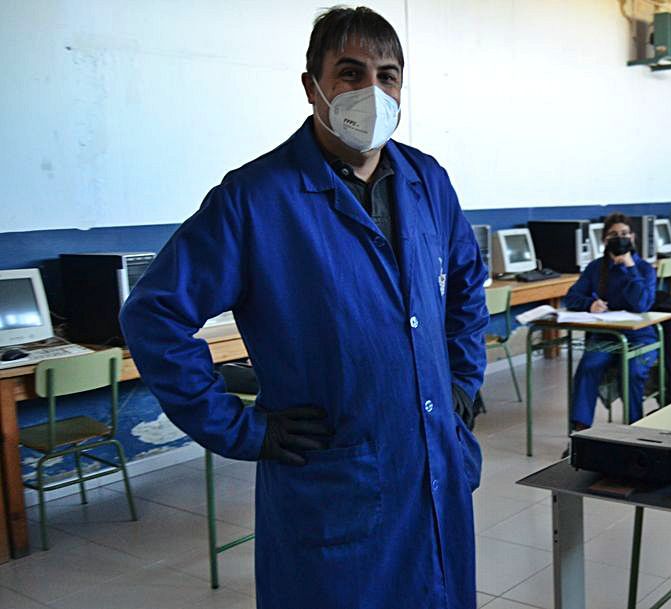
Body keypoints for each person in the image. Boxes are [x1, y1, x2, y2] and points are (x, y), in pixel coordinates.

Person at [119, 7, 487, 609]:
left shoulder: (428, 181)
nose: (372, 91)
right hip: (334, 482)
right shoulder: (256, 198)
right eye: (350, 72)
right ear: (311, 85)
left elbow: (467, 283)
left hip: (432, 465)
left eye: (388, 75)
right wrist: (239, 429)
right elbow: (153, 316)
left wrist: (464, 382)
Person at [563, 213, 658, 430]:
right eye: (614, 234)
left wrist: (630, 268)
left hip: (640, 337)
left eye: (624, 234)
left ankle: (635, 428)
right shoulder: (597, 268)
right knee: (589, 366)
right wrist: (589, 304)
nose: (620, 238)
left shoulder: (644, 269)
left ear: (633, 237)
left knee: (633, 371)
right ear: (605, 240)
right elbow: (571, 297)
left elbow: (642, 304)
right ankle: (579, 430)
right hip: (607, 335)